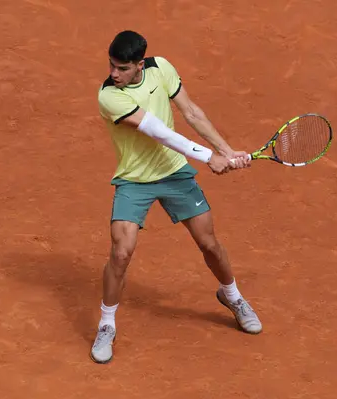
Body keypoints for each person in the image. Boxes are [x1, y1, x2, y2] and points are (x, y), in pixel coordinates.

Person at [91, 30, 262, 364]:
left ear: (140, 65)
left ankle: (233, 296)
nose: (114, 74)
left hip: (173, 172)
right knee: (121, 253)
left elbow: (192, 112)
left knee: (209, 244)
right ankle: (107, 323)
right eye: (111, 66)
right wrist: (207, 156)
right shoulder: (109, 96)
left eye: (122, 68)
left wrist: (226, 150)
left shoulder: (161, 69)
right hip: (135, 179)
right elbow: (159, 131)